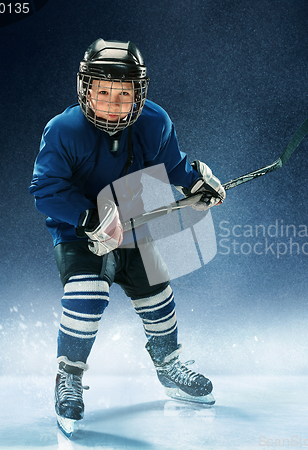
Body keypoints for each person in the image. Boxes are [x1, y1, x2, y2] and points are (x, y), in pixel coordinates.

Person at [29, 38, 225, 434]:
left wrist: (196, 182)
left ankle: (168, 364)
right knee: (88, 292)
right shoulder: (63, 130)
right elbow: (45, 189)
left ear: (140, 94)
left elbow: (173, 166)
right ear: (86, 90)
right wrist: (88, 219)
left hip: (137, 224)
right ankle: (68, 376)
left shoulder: (155, 122)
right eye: (104, 93)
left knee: (157, 290)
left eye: (124, 93)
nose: (114, 104)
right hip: (79, 232)